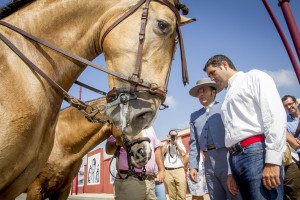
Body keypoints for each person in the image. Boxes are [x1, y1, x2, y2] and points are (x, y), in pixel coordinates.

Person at [203, 54, 286, 200]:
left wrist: (273, 160)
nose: (212, 79)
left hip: (257, 153)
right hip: (236, 158)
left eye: (212, 73)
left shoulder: (253, 77)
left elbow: (274, 116)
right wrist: (230, 171)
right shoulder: (227, 98)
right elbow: (232, 135)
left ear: (224, 65)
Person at [188, 78, 241, 200]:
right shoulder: (194, 116)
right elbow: (193, 143)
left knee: (234, 194)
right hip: (208, 162)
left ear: (213, 92)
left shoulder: (224, 107)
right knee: (215, 196)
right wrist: (193, 166)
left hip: (226, 157)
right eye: (199, 92)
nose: (201, 94)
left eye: (204, 91)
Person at [105, 126, 165, 200]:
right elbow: (108, 150)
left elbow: (156, 148)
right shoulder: (121, 125)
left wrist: (161, 170)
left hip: (150, 180)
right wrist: (117, 143)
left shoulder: (150, 128)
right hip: (130, 180)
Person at [162, 130, 187, 200]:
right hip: (168, 171)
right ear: (168, 135)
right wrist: (167, 142)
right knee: (171, 195)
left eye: (174, 135)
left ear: (177, 136)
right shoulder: (165, 144)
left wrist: (176, 144)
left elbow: (183, 154)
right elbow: (160, 153)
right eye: (171, 135)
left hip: (179, 170)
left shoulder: (180, 143)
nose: (173, 137)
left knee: (182, 193)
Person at [282, 95, 300, 159]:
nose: (289, 107)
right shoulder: (284, 121)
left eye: (290, 104)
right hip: (297, 154)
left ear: (296, 103)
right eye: (285, 106)